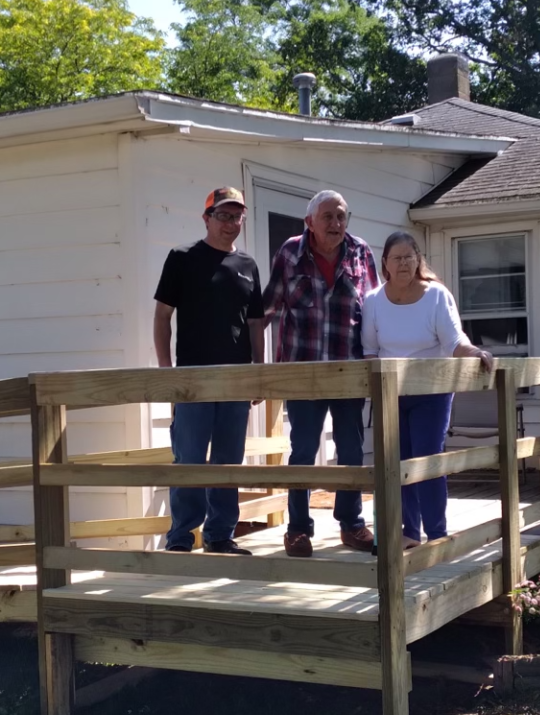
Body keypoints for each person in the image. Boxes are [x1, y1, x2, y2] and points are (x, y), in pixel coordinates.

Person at [262, 190, 379, 558]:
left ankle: (352, 523)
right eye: (327, 216)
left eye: (342, 216)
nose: (336, 223)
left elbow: (376, 310)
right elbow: (267, 307)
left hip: (349, 370)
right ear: (309, 221)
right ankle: (297, 529)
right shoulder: (289, 253)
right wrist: (251, 359)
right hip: (304, 371)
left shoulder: (361, 251)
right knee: (303, 451)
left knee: (351, 450)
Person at [361, 231, 493, 549]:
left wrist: (475, 353)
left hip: (432, 394)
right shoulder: (373, 301)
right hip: (391, 394)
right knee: (398, 462)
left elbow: (454, 342)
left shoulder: (436, 296)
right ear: (385, 264)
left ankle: (436, 534)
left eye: (410, 256)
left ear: (419, 261)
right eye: (397, 258)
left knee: (428, 461)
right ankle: (410, 531)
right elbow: (369, 351)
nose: (404, 263)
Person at [153, 187, 265, 555]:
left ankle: (220, 536)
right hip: (192, 379)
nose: (231, 223)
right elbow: (163, 316)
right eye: (223, 216)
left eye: (237, 217)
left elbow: (254, 324)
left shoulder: (248, 266)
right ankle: (181, 538)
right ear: (207, 218)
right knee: (189, 459)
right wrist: (166, 372)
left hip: (235, 379)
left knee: (229, 461)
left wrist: (258, 374)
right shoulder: (182, 257)